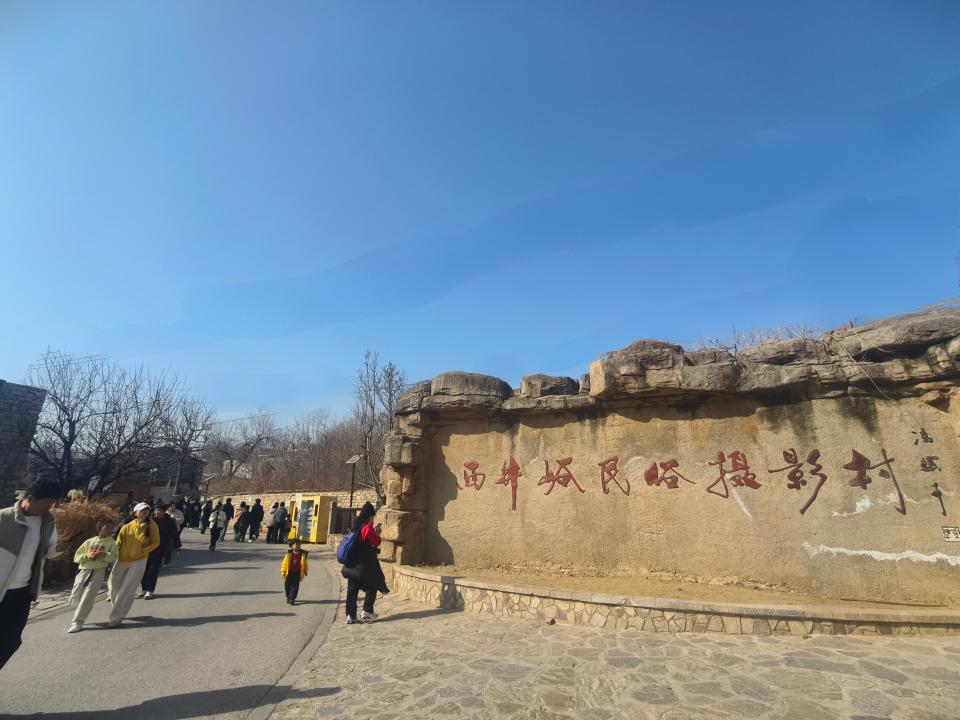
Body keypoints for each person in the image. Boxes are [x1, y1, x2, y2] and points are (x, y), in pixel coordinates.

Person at [0, 479, 61, 668]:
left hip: (23, 592)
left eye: (51, 504)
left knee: (11, 640)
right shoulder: (3, 518)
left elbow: (50, 548)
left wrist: (58, 549)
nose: (48, 508)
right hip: (1, 589)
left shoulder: (47, 522)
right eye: (45, 503)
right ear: (30, 498)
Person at [108, 502, 159, 627]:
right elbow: (118, 543)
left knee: (127, 588)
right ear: (135, 513)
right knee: (114, 585)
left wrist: (144, 550)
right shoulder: (126, 527)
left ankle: (116, 617)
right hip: (122, 559)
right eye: (142, 510)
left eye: (146, 510)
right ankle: (118, 607)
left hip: (139, 560)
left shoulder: (152, 526)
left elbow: (156, 542)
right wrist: (111, 556)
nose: (145, 512)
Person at [341, 501, 389, 624]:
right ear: (370, 516)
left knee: (352, 591)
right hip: (362, 566)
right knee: (372, 586)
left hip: (351, 565)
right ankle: (367, 611)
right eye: (373, 516)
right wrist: (377, 533)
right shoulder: (367, 527)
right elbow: (376, 541)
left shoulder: (355, 527)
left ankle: (350, 616)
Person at [67, 520, 118, 633]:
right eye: (107, 527)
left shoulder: (111, 542)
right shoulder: (89, 541)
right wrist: (87, 555)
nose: (110, 530)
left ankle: (77, 622)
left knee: (88, 595)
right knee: (75, 596)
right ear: (99, 529)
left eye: (111, 528)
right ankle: (85, 607)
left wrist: (104, 554)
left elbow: (114, 557)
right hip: (83, 570)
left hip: (99, 570)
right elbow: (77, 556)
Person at [139, 504, 179, 598]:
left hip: (160, 548)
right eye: (155, 510)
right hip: (147, 547)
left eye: (159, 510)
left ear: (164, 511)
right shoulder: (150, 520)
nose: (156, 512)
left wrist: (177, 545)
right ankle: (144, 588)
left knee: (152, 569)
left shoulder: (170, 521)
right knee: (144, 569)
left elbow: (175, 533)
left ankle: (150, 590)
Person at [280, 539, 308, 605]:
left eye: (299, 544)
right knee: (287, 586)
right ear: (292, 546)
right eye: (296, 544)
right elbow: (284, 563)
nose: (298, 546)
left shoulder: (303, 554)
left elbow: (305, 563)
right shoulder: (289, 554)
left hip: (297, 573)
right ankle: (288, 597)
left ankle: (292, 599)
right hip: (289, 573)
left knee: (295, 586)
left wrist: (305, 570)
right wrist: (283, 571)